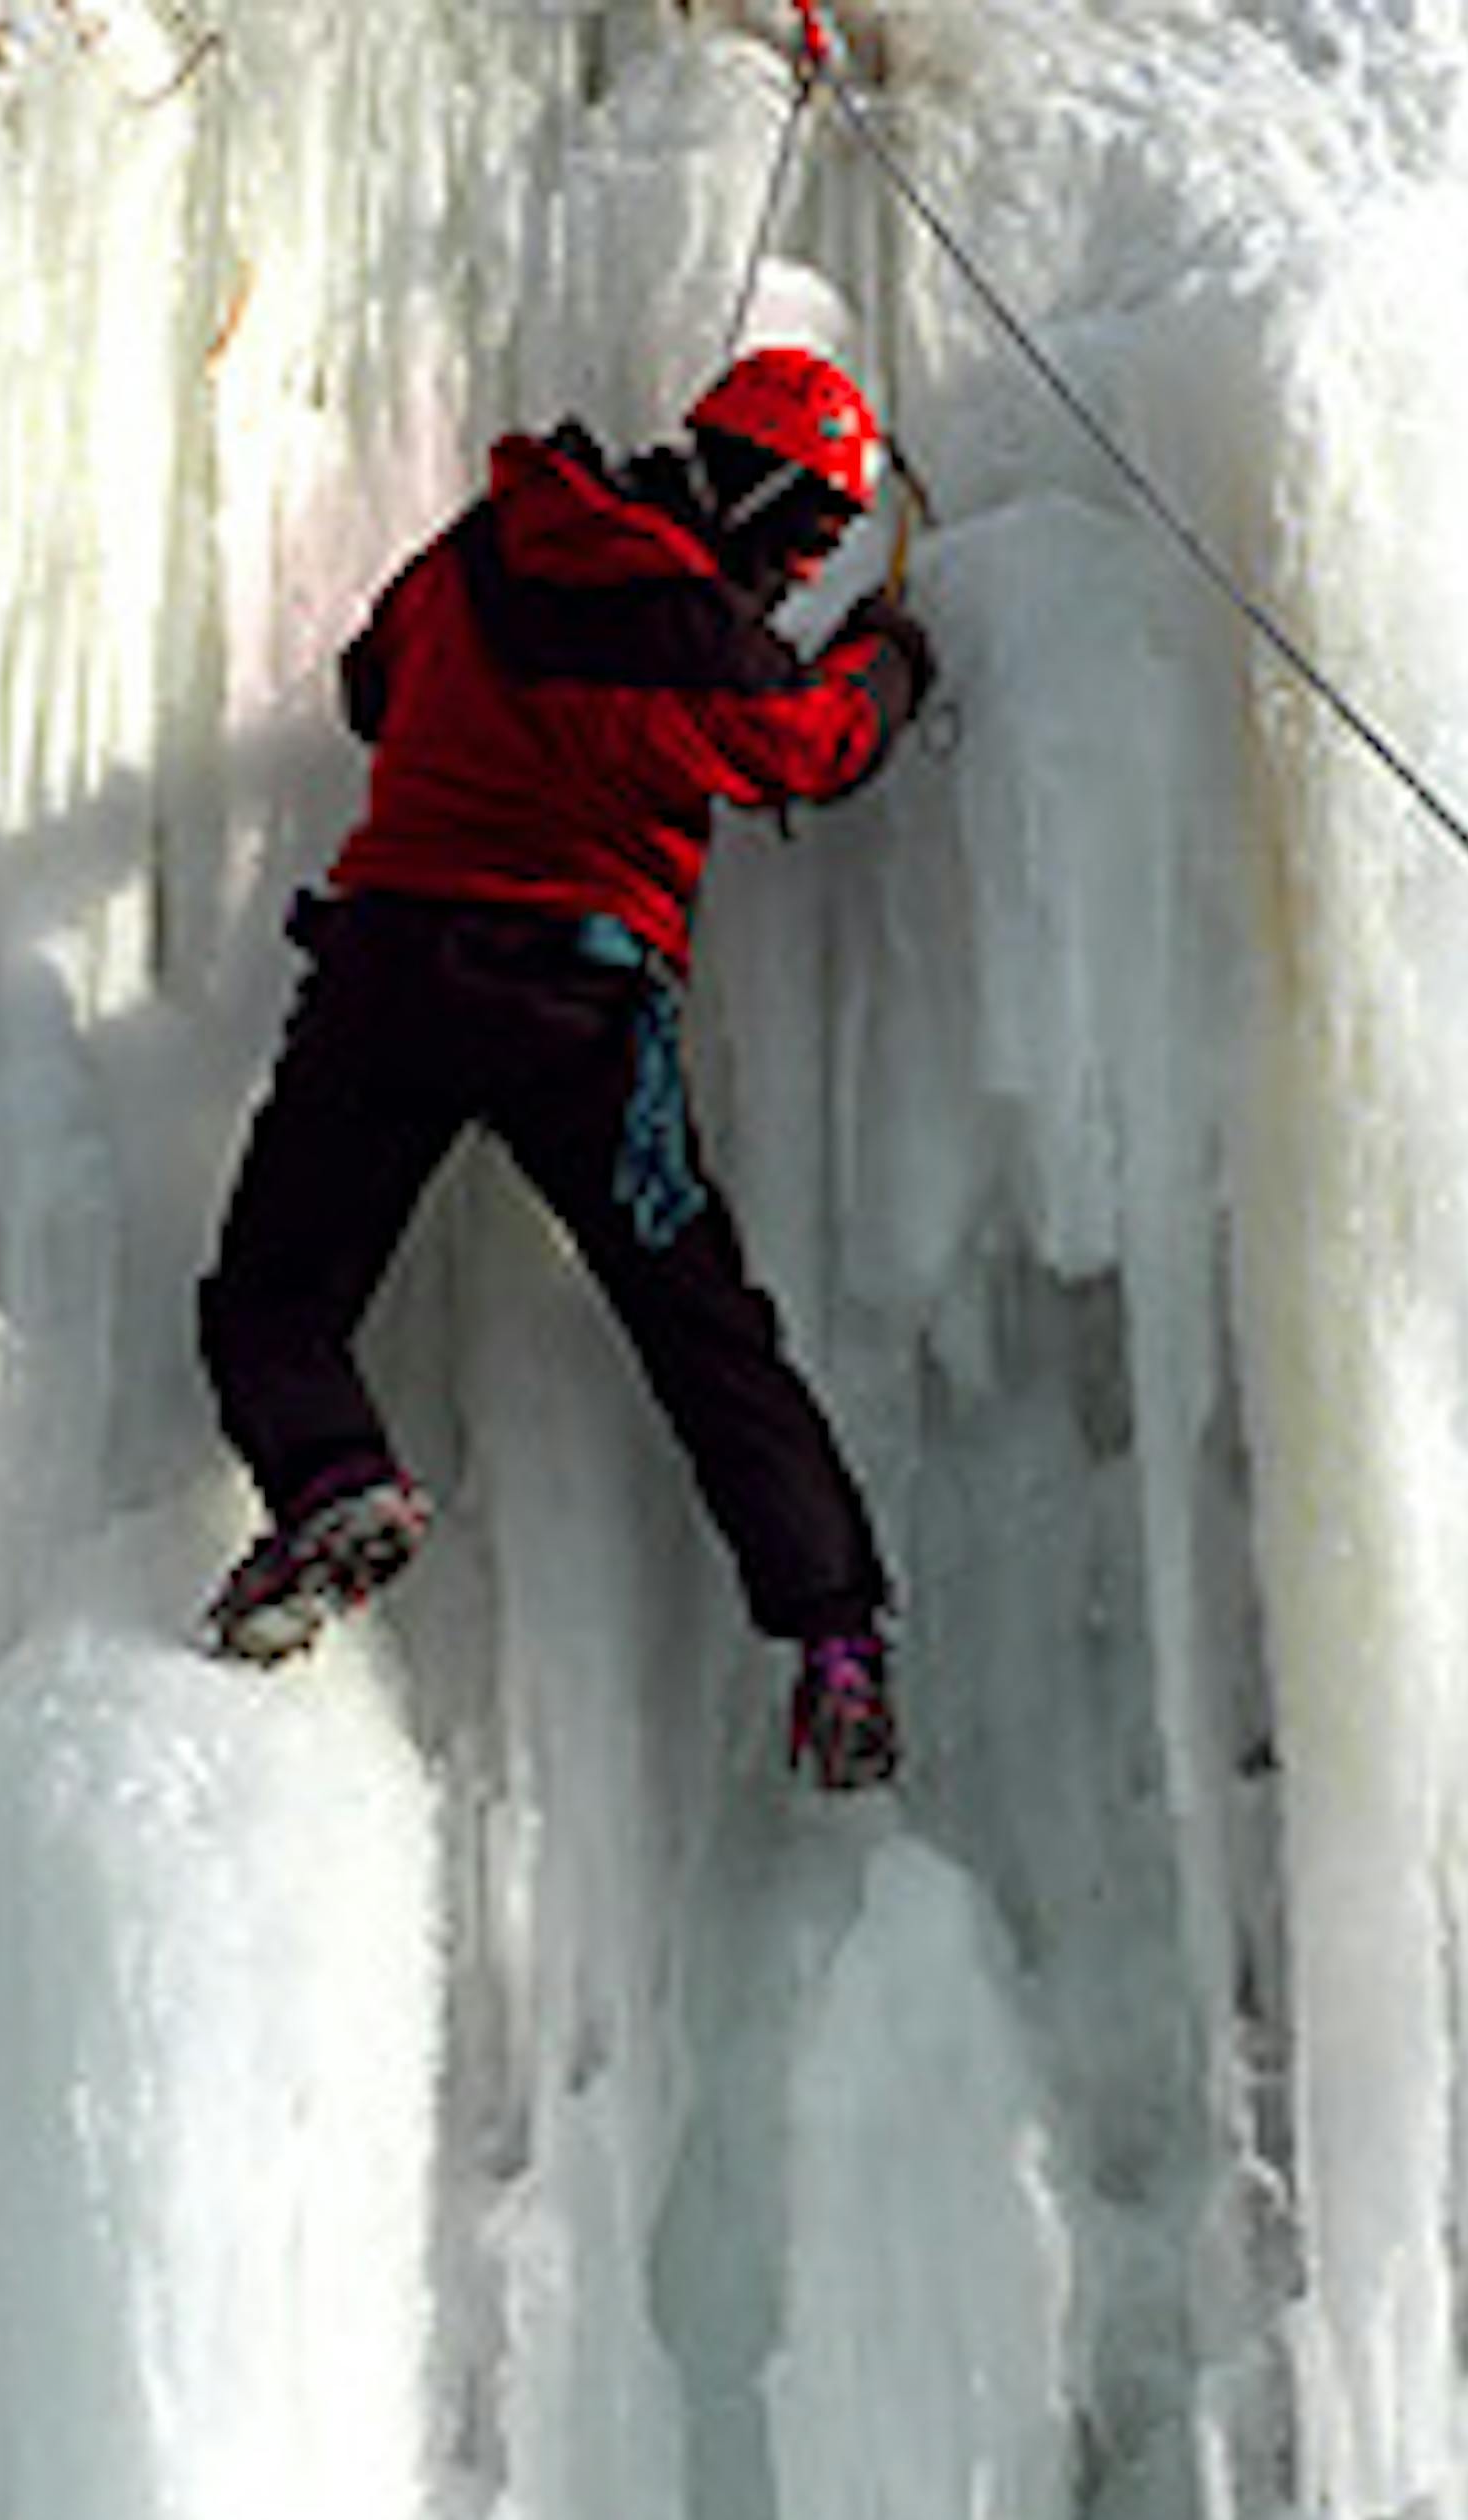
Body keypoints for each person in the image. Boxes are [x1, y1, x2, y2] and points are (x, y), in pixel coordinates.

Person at [196, 345, 937, 1789]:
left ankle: (334, 1481)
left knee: (275, 1296)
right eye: (803, 537)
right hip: (576, 1009)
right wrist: (892, 651)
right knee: (702, 1330)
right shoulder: (700, 632)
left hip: (389, 970)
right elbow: (820, 744)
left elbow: (369, 685)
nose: (796, 573)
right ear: (761, 491)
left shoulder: (480, 550)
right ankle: (835, 1642)